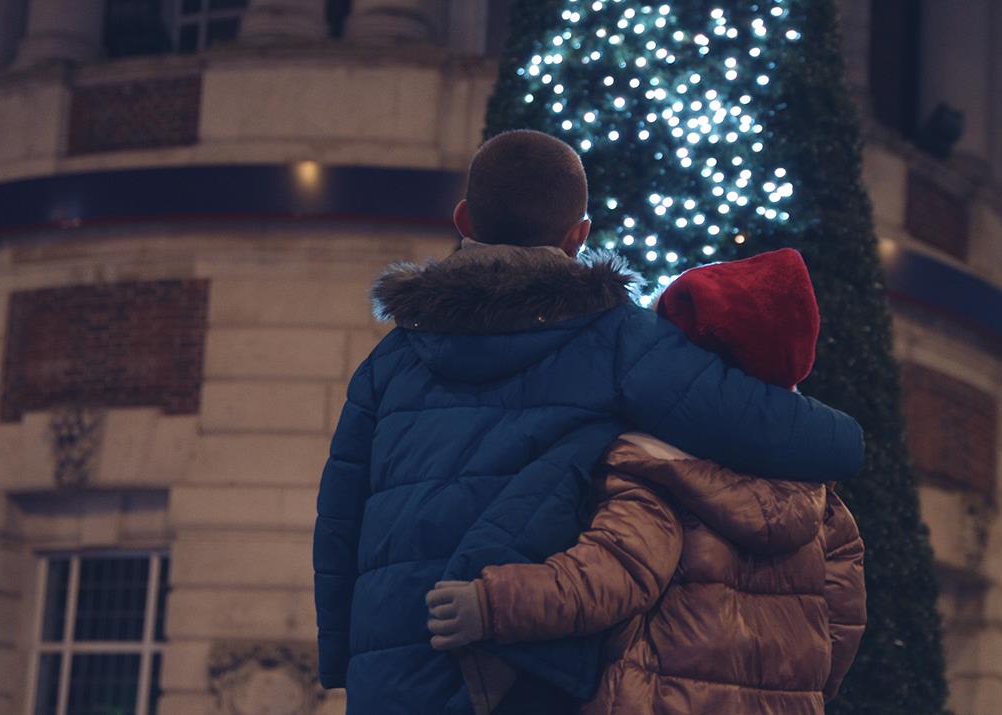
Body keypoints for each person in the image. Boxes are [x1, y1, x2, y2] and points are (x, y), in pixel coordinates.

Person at [312, 130, 864, 714]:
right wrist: (849, 438)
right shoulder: (620, 341)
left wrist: (341, 658)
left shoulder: (390, 361)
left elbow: (339, 519)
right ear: (580, 236)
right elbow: (766, 427)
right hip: (524, 665)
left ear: (464, 219)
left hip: (393, 664)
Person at [427, 249, 868, 715]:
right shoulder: (825, 506)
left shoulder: (657, 470)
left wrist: (493, 603)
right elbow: (841, 629)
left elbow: (612, 575)